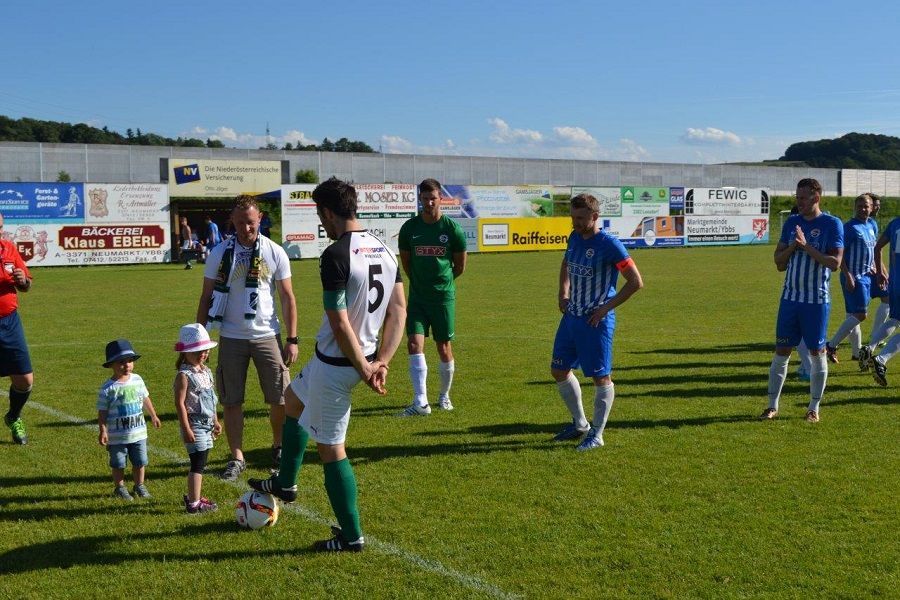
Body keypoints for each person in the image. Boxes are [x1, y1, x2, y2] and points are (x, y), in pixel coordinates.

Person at [249, 177, 406, 552]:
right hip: (345, 360)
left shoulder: (336, 255)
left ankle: (351, 536)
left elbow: (339, 321)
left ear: (329, 213)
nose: (322, 224)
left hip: (338, 366)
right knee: (292, 400)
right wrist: (381, 359)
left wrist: (367, 367)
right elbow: (399, 308)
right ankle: (285, 483)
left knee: (331, 448)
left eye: (321, 216)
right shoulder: (384, 249)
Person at [196, 195, 298, 481]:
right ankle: (237, 456)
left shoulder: (275, 251)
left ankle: (277, 447)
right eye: (240, 223)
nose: (245, 228)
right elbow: (205, 297)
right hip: (230, 336)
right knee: (231, 400)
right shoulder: (219, 253)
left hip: (267, 334)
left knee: (279, 397)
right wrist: (198, 342)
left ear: (260, 219)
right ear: (232, 222)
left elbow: (288, 298)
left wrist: (292, 339)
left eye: (250, 223)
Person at [550, 193, 643, 450]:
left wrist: (604, 309)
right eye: (573, 217)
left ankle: (597, 435)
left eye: (581, 218)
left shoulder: (609, 244)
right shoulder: (574, 237)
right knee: (558, 370)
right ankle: (580, 423)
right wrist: (563, 293)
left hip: (595, 321)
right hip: (571, 317)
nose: (576, 222)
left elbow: (636, 282)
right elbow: (566, 263)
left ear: (595, 217)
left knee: (601, 377)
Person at [760, 178, 843, 423]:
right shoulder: (792, 222)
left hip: (816, 301)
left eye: (803, 198)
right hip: (790, 299)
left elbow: (835, 263)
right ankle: (772, 406)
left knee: (817, 353)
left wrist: (806, 247)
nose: (799, 202)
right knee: (781, 353)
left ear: (816, 198)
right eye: (797, 197)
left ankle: (813, 408)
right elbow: (778, 262)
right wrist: (792, 247)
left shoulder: (831, 224)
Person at [396, 178, 467, 416]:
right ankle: (421, 402)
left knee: (443, 347)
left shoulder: (452, 229)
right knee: (414, 344)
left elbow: (459, 267)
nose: (428, 203)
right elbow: (406, 263)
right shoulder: (409, 228)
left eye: (433, 198)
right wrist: (420, 283)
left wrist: (442, 284)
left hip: (443, 298)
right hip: (417, 298)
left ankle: (444, 395)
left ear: (440, 199)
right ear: (420, 199)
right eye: (425, 198)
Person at [97, 339, 161, 500]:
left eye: (130, 361)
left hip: (138, 433)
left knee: (140, 461)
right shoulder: (108, 388)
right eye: (121, 362)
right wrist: (103, 430)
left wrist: (153, 415)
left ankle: (139, 485)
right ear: (111, 364)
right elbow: (102, 411)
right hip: (117, 437)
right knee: (118, 463)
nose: (127, 366)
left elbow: (145, 398)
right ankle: (119, 487)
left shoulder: (137, 380)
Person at [173, 323, 221, 514]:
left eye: (205, 350)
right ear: (185, 353)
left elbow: (212, 400)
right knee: (198, 464)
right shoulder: (184, 376)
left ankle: (195, 496)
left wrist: (216, 421)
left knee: (202, 460)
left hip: (207, 424)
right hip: (195, 425)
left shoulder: (206, 372)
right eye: (197, 351)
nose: (202, 354)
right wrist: (186, 428)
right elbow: (180, 404)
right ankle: (194, 503)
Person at [825, 194, 876, 363]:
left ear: (871, 207)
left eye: (866, 206)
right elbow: (841, 254)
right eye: (860, 206)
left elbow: (871, 249)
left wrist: (874, 265)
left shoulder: (872, 225)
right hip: (855, 277)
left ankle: (856, 353)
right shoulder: (850, 227)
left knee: (852, 316)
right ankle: (831, 345)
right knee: (861, 315)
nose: (863, 209)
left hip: (867, 276)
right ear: (855, 208)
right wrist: (848, 275)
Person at [0, 212, 34, 445]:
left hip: (9, 321)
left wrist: (23, 280)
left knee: (24, 380)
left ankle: (13, 416)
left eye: (0, 226)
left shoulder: (9, 249)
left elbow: (26, 286)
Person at [861, 213, 900, 386]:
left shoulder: (895, 223)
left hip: (895, 283)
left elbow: (877, 248)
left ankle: (870, 348)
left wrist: (879, 272)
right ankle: (881, 359)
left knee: (895, 319)